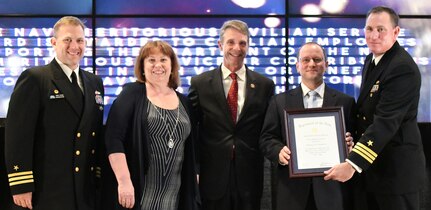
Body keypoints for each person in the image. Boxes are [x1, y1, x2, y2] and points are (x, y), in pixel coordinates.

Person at [324, 6, 426, 210]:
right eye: (369, 29)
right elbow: (366, 113)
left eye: (381, 29)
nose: (374, 35)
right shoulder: (371, 60)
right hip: (373, 170)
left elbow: (385, 123)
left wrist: (352, 163)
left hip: (395, 174)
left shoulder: (401, 67)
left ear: (396, 32)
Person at [4, 16, 104, 210]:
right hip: (48, 188)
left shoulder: (95, 82)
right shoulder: (35, 78)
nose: (74, 46)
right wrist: (21, 185)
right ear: (53, 42)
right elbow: (18, 135)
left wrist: (98, 175)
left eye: (80, 40)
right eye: (67, 39)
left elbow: (96, 134)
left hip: (85, 187)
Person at [188, 19, 275, 210]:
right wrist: (193, 168)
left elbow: (270, 130)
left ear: (248, 46)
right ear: (220, 45)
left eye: (242, 43)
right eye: (231, 42)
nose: (237, 48)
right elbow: (190, 130)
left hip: (250, 176)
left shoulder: (264, 85)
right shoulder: (200, 83)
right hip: (212, 177)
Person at [103, 40, 200, 210]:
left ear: (172, 66)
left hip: (175, 197)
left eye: (163, 60)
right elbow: (113, 138)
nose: (158, 65)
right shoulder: (131, 93)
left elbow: (193, 148)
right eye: (151, 60)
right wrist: (124, 182)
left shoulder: (185, 102)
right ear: (142, 66)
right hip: (137, 194)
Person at [259, 42, 356, 210]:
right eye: (306, 60)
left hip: (332, 191)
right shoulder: (279, 102)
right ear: (297, 66)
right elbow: (266, 138)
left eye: (317, 59)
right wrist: (278, 151)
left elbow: (356, 138)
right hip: (292, 193)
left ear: (326, 65)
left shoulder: (345, 102)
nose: (312, 64)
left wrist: (350, 145)